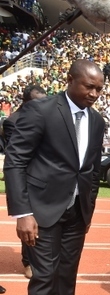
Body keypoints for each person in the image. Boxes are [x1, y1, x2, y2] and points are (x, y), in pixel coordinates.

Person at [3, 59, 106, 295]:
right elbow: (16, 161)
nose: (94, 93)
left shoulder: (97, 121)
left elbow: (92, 168)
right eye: (88, 86)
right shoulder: (42, 111)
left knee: (66, 278)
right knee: (44, 279)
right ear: (70, 79)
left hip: (76, 214)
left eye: (99, 89)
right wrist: (23, 213)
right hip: (42, 212)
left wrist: (88, 209)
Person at [3, 84, 47, 281]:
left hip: (44, 179)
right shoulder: (13, 121)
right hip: (27, 179)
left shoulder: (44, 117)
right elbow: (18, 154)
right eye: (38, 102)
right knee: (28, 220)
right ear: (26, 102)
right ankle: (27, 262)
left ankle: (38, 259)